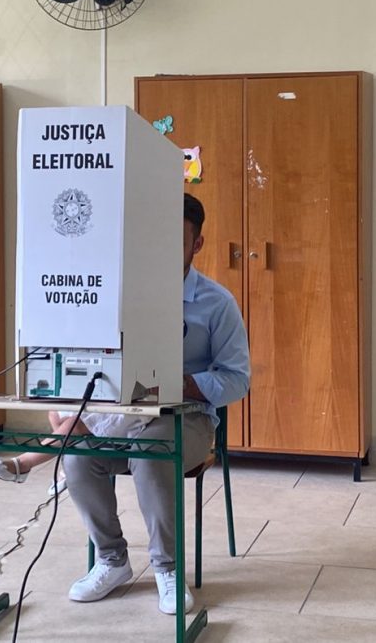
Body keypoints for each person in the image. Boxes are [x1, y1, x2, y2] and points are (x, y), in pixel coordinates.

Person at [63, 193, 250, 615]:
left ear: (196, 245)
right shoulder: (120, 293)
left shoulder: (216, 303)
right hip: (122, 415)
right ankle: (111, 560)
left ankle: (167, 568)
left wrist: (180, 385)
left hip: (188, 421)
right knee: (75, 458)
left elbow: (237, 379)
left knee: (151, 454)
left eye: (176, 240)